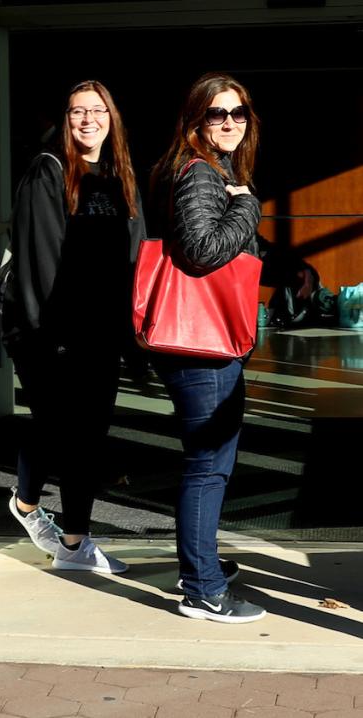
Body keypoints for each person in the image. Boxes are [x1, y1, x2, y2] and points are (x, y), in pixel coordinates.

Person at [0, 80, 142, 574]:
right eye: (78, 111)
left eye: (97, 110)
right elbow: (40, 262)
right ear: (66, 119)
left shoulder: (120, 175)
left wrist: (130, 330)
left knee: (83, 433)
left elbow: (135, 254)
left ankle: (31, 507)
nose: (88, 119)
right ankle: (74, 543)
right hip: (49, 332)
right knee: (72, 433)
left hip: (99, 330)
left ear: (111, 117)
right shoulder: (50, 171)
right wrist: (51, 340)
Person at [147, 72, 269, 623]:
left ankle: (200, 566)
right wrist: (249, 206)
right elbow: (200, 250)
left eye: (237, 113)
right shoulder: (199, 173)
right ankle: (202, 588)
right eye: (216, 114)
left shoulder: (213, 170)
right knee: (208, 466)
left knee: (210, 463)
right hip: (201, 346)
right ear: (196, 120)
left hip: (207, 341)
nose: (228, 123)